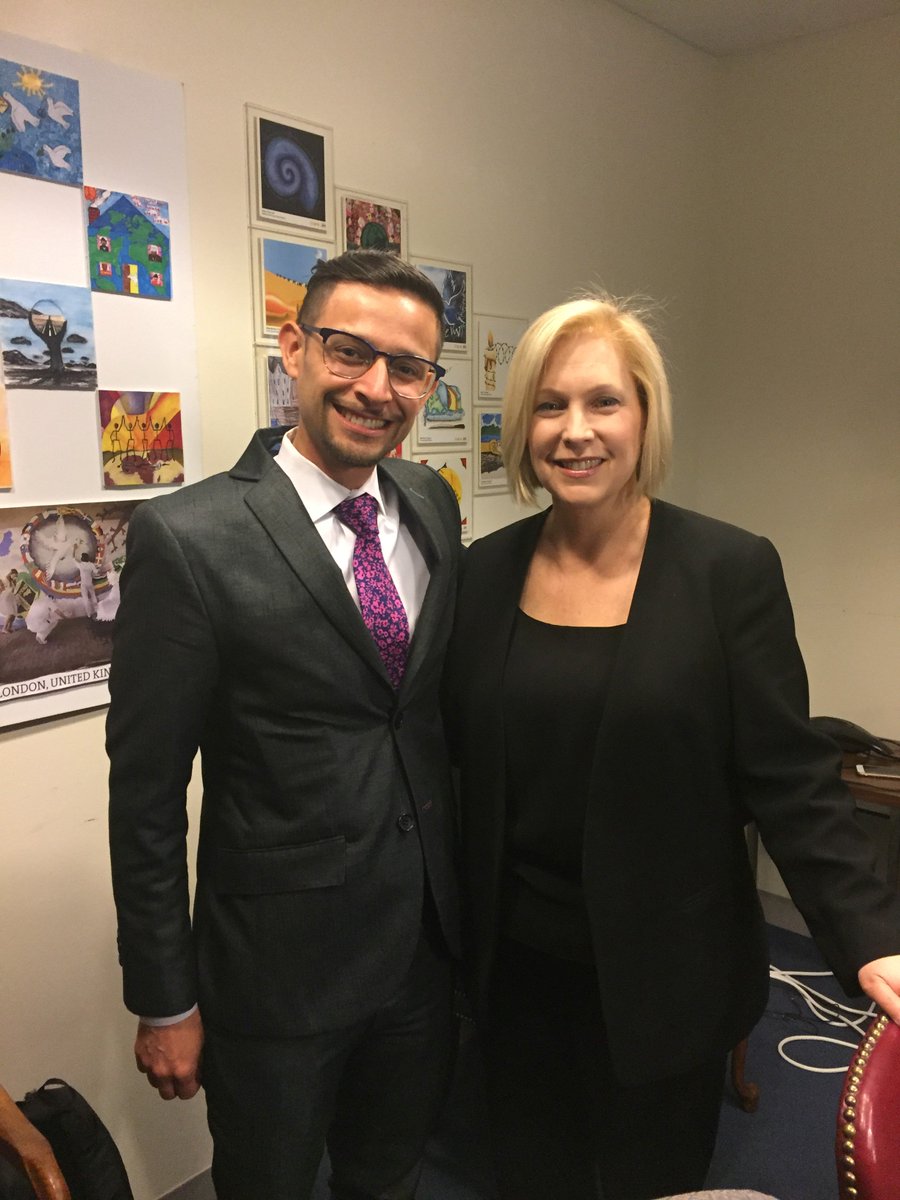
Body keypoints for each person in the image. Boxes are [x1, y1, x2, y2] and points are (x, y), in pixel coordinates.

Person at [442, 294, 900, 1200]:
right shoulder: (484, 571)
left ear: (645, 417)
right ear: (523, 425)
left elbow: (790, 775)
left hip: (667, 974)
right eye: (549, 405)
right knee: (530, 1176)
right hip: (517, 970)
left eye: (603, 402)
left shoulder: (728, 570)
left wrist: (868, 936)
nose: (576, 431)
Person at [107, 251, 462, 1200]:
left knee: (389, 1179)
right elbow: (145, 795)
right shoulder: (189, 537)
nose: (377, 388)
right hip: (277, 979)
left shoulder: (431, 504)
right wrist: (164, 999)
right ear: (295, 347)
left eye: (408, 368)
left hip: (421, 952)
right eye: (350, 351)